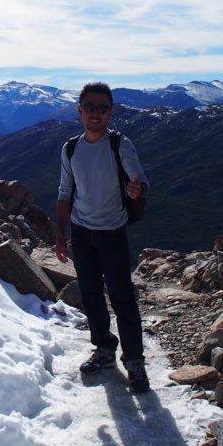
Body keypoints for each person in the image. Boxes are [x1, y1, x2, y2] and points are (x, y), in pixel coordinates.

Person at [55, 82, 151, 393]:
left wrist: (139, 190)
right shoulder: (70, 148)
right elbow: (65, 192)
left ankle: (134, 360)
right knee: (92, 295)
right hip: (82, 233)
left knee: (122, 297)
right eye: (90, 107)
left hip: (112, 233)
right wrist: (61, 234)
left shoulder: (120, 144)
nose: (95, 113)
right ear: (79, 110)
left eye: (102, 108)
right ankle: (104, 349)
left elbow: (138, 175)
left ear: (111, 112)